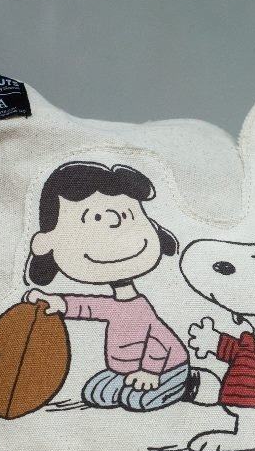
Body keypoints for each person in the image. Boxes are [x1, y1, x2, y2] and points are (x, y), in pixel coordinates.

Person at [24, 161, 204, 411]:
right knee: (96, 394)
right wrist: (59, 303)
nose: (111, 225)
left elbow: (159, 342)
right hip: (126, 370)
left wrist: (151, 372)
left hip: (166, 364)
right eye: (93, 218)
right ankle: (142, 381)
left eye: (126, 216)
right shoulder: (117, 305)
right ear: (46, 242)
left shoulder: (139, 308)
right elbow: (92, 307)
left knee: (136, 401)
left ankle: (189, 383)